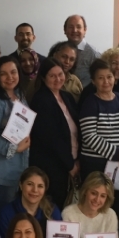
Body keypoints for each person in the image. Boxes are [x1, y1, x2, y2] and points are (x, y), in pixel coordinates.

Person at [79, 58, 119, 238]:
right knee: (96, 208)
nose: (106, 81)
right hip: (96, 165)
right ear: (93, 81)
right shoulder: (90, 103)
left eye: (109, 76)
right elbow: (90, 137)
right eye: (101, 78)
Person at [0, 56, 30, 209]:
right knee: (3, 215)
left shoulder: (19, 95)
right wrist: (14, 148)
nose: (10, 77)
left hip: (19, 167)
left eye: (13, 72)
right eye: (3, 74)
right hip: (0, 171)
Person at [29, 58, 79, 208]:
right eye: (52, 76)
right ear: (43, 78)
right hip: (51, 165)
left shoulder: (67, 97)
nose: (58, 79)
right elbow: (52, 139)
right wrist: (70, 165)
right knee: (52, 207)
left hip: (71, 161)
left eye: (60, 74)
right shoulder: (41, 100)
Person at [0, 167, 62, 238]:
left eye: (40, 186)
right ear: (21, 185)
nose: (35, 190)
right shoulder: (6, 213)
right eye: (30, 184)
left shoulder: (53, 212)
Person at [64, 14, 98, 87]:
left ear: (85, 30)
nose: (74, 30)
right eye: (71, 27)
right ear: (65, 30)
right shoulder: (58, 50)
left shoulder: (93, 54)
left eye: (78, 27)